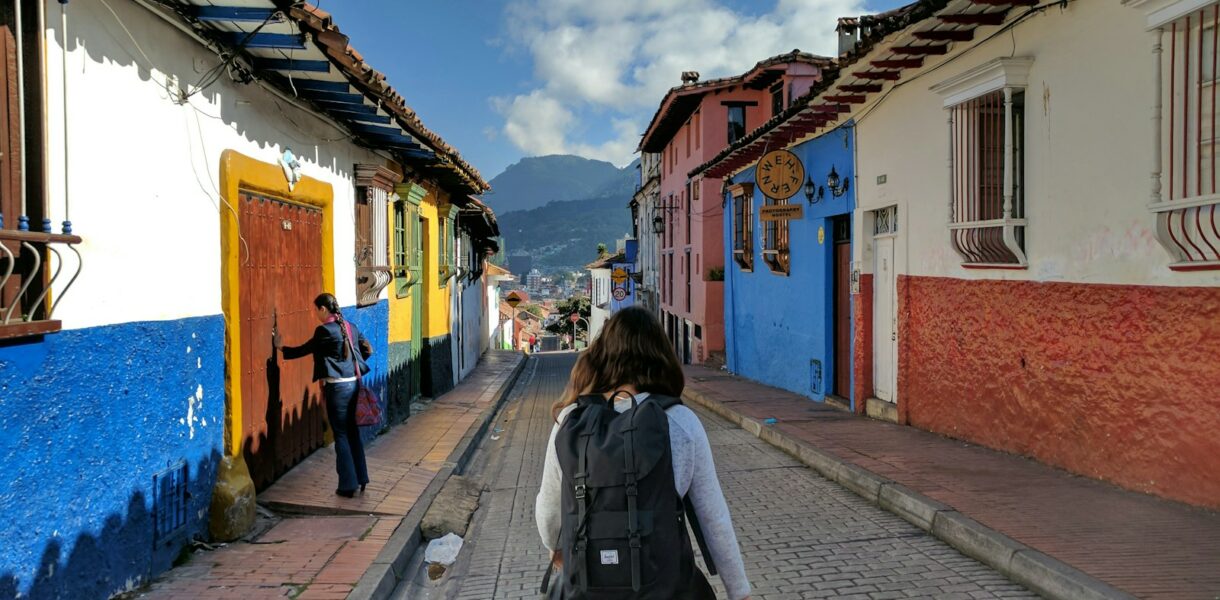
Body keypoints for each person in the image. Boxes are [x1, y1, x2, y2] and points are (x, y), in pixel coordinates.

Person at [535, 306, 752, 600]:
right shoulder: (680, 421)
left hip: (587, 587)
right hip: (665, 588)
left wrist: (556, 549)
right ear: (661, 356)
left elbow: (549, 511)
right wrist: (739, 591)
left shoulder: (570, 420)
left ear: (603, 355)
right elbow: (713, 518)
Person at [275, 293, 372, 498]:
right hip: (354, 384)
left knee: (342, 434)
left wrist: (280, 348)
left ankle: (347, 485)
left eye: (316, 310)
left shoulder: (324, 331)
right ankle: (361, 478)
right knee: (353, 432)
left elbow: (305, 349)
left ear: (322, 309)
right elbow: (367, 349)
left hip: (337, 389)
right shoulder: (350, 327)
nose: (315, 314)